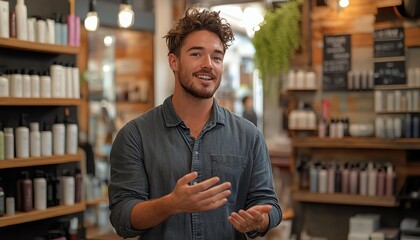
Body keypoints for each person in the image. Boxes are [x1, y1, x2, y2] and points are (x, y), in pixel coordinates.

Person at [108, 6, 282, 240]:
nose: (208, 64)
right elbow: (122, 217)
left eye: (217, 57)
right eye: (196, 54)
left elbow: (269, 203)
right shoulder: (135, 135)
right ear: (174, 62)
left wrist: (260, 220)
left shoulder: (249, 135)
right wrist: (171, 204)